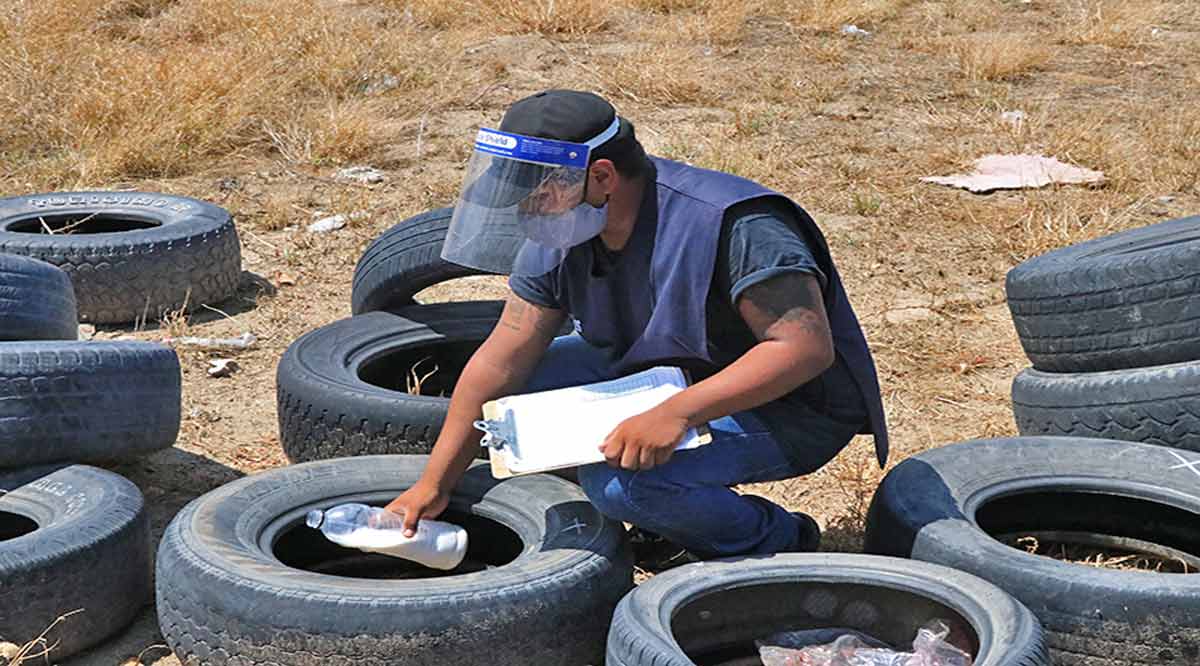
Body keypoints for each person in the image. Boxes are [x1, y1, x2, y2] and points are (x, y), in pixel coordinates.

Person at [386, 89, 887, 560]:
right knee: (509, 409)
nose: (527, 209)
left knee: (624, 485)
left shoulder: (736, 224)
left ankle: (775, 537)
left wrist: (676, 414)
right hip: (659, 368)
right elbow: (504, 356)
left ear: (601, 177)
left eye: (537, 194)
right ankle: (656, 511)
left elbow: (802, 350)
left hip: (791, 407)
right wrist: (434, 482)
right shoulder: (568, 223)